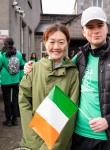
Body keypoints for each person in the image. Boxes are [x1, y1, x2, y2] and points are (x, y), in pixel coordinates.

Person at [24, 7, 110, 150]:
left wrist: (108, 121)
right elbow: (58, 67)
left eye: (100, 26)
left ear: (106, 28)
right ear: (83, 32)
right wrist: (32, 67)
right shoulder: (79, 58)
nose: (95, 31)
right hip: (79, 136)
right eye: (90, 27)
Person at [19, 22, 79, 150]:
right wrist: (34, 140)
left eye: (61, 42)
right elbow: (24, 103)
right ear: (45, 42)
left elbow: (69, 116)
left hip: (59, 145)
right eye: (51, 42)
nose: (56, 47)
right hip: (32, 142)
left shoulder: (73, 73)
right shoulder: (33, 69)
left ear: (67, 43)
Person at [0, 38, 24, 127]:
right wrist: (21, 78)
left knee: (6, 100)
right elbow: (21, 67)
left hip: (5, 81)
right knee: (14, 99)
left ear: (5, 44)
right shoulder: (18, 53)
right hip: (15, 80)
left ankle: (8, 120)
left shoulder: (2, 54)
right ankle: (15, 120)